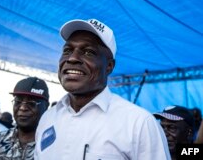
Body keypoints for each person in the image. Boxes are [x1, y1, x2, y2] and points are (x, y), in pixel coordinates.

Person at [34, 19, 170, 159]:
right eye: (67, 50)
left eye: (88, 52)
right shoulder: (48, 118)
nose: (73, 58)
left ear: (109, 66)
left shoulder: (139, 124)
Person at [0, 77, 49, 160]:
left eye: (31, 103)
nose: (22, 107)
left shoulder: (53, 146)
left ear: (46, 106)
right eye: (18, 101)